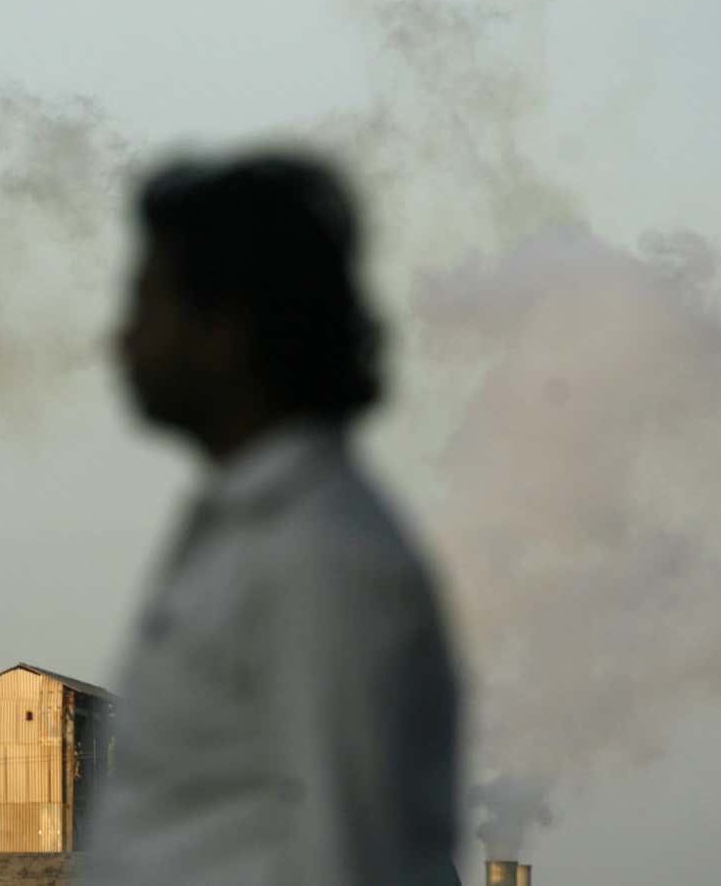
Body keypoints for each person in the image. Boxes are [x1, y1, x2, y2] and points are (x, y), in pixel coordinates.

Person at [83, 152, 459, 884]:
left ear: (228, 332)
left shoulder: (324, 560)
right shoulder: (245, 533)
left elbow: (349, 858)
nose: (123, 341)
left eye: (148, 305)